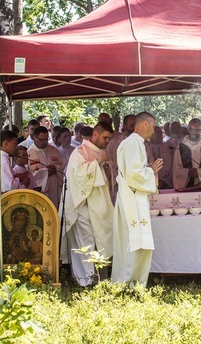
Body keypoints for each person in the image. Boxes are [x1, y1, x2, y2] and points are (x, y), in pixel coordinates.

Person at [111, 112, 163, 285]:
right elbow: (133, 175)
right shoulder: (132, 143)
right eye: (153, 126)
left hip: (136, 198)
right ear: (145, 124)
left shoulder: (136, 143)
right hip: (131, 200)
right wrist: (151, 171)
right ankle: (126, 282)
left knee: (140, 242)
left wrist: (146, 169)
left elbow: (133, 171)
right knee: (132, 241)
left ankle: (136, 281)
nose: (154, 131)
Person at [64, 122, 116, 286]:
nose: (107, 141)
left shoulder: (101, 152)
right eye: (105, 137)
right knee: (85, 242)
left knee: (101, 239)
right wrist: (96, 163)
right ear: (95, 134)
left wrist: (107, 169)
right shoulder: (79, 152)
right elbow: (79, 176)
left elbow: (106, 178)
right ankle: (86, 279)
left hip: (99, 204)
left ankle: (101, 277)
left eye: (109, 138)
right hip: (83, 204)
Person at [27, 126, 67, 209]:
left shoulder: (54, 151)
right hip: (40, 190)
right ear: (34, 138)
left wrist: (56, 168)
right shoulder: (28, 154)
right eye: (42, 139)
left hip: (55, 187)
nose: (45, 142)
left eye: (46, 139)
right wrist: (46, 171)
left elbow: (64, 166)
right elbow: (29, 174)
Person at [173, 118, 201, 189]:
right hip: (186, 187)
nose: (193, 132)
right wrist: (187, 172)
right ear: (188, 129)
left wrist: (199, 172)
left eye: (197, 130)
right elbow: (176, 169)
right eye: (191, 129)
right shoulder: (181, 146)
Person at [106, 114, 136, 200]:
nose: (134, 127)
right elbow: (108, 163)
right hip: (119, 185)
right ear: (125, 126)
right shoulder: (114, 143)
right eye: (131, 125)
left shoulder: (144, 143)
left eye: (135, 124)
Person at [0, 129, 19, 207]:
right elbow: (9, 186)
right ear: (6, 144)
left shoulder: (1, 158)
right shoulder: (2, 160)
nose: (16, 147)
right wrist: (21, 179)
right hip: (3, 203)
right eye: (14, 144)